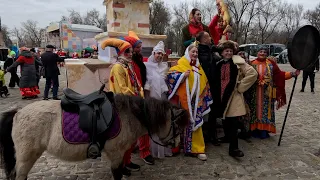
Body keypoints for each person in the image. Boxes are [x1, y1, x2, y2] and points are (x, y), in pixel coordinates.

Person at [167, 42, 213, 161]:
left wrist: (202, 97)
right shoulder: (181, 63)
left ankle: (197, 149)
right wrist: (182, 76)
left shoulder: (198, 66)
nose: (195, 54)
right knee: (182, 123)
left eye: (196, 52)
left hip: (196, 102)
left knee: (196, 125)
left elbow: (204, 83)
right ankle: (181, 147)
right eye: (193, 52)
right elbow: (170, 76)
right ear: (188, 52)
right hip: (183, 102)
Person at [104, 38, 143, 177]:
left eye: (131, 51)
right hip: (122, 106)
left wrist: (141, 94)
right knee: (124, 138)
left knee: (131, 138)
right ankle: (122, 163)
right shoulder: (118, 67)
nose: (130, 54)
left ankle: (127, 161)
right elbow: (122, 89)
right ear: (121, 52)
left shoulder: (129, 66)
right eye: (127, 51)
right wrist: (137, 98)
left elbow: (138, 84)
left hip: (132, 103)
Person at [212, 41, 257, 157]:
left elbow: (252, 74)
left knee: (233, 123)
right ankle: (227, 137)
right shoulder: (219, 64)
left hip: (233, 96)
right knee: (225, 120)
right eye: (226, 51)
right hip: (221, 95)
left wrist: (240, 87)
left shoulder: (238, 62)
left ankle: (234, 148)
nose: (228, 53)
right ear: (222, 53)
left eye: (231, 51)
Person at [249, 47, 300, 139]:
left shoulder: (271, 64)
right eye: (260, 51)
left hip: (267, 94)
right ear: (257, 53)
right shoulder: (251, 64)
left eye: (265, 52)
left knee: (266, 112)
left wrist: (292, 74)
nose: (262, 53)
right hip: (254, 93)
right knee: (255, 111)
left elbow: (280, 75)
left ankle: (264, 131)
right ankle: (254, 130)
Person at [122, 31, 155, 165]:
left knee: (144, 126)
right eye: (137, 47)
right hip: (132, 99)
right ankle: (126, 159)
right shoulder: (126, 64)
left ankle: (145, 151)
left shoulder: (139, 60)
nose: (139, 50)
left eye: (140, 47)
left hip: (141, 97)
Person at [144, 41, 172, 159]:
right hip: (151, 98)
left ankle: (162, 149)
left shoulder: (165, 67)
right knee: (152, 123)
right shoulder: (146, 66)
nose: (160, 56)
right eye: (158, 53)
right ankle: (150, 150)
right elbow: (146, 83)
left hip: (162, 99)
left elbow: (167, 82)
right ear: (153, 53)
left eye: (161, 54)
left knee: (162, 122)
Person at [195, 31, 221, 146]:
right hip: (203, 85)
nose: (210, 38)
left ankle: (212, 134)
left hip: (214, 85)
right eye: (208, 36)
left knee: (213, 111)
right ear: (203, 39)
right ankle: (202, 134)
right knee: (202, 109)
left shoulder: (212, 50)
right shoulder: (198, 52)